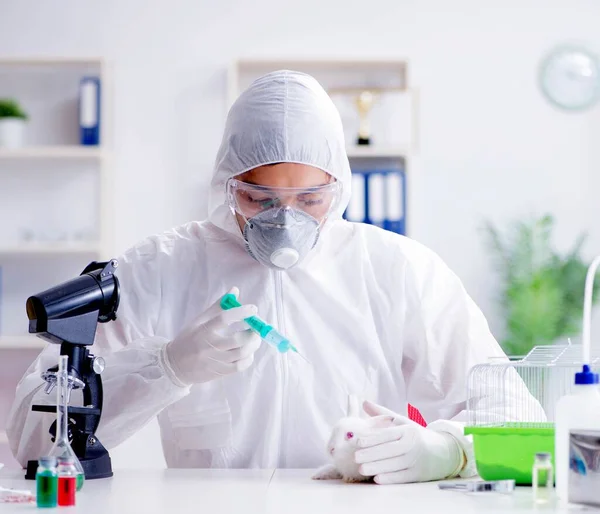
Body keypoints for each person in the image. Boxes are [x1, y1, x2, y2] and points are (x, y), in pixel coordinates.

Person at [7, 70, 508, 485]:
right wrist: (165, 367)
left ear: (339, 185)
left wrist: (449, 449)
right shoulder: (160, 268)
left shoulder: (398, 270)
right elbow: (30, 439)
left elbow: (513, 411)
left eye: (310, 199)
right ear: (228, 184)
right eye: (259, 199)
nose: (285, 220)